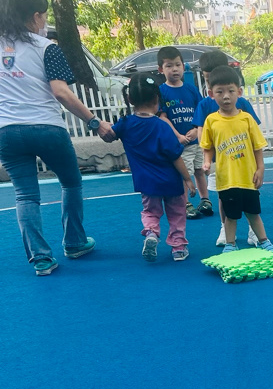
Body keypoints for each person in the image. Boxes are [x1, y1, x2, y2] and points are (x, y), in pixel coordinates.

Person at [0, 0, 113, 275]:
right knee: (71, 182)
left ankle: (41, 258)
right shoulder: (46, 47)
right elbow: (61, 93)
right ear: (35, 16)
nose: (45, 21)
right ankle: (74, 242)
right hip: (46, 127)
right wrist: (95, 122)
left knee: (25, 194)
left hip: (7, 131)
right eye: (45, 16)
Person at [104, 73, 196, 261]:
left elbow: (109, 135)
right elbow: (175, 156)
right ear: (156, 99)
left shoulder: (125, 124)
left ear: (129, 99)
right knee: (177, 213)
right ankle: (178, 247)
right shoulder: (162, 126)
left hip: (146, 183)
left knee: (150, 212)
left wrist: (98, 124)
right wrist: (187, 178)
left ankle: (152, 232)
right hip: (171, 181)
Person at [199, 66, 273, 254]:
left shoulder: (247, 119)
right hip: (226, 180)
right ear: (211, 94)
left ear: (239, 92)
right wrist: (207, 162)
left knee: (253, 213)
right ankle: (230, 244)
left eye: (231, 91)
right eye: (220, 92)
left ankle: (264, 241)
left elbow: (257, 147)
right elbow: (208, 147)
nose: (226, 96)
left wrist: (260, 169)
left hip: (248, 178)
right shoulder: (211, 121)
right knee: (230, 216)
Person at [192, 48, 262, 247]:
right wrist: (207, 158)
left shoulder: (242, 104)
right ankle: (225, 228)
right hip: (221, 163)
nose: (224, 96)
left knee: (250, 197)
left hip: (245, 163)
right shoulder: (205, 105)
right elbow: (201, 133)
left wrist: (259, 165)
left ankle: (253, 231)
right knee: (224, 197)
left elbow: (254, 133)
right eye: (207, 80)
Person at [155, 45, 212, 220]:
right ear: (161, 69)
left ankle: (205, 200)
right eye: (169, 66)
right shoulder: (162, 91)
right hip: (179, 144)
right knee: (184, 173)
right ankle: (185, 203)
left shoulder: (191, 89)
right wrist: (178, 136)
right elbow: (163, 117)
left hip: (195, 141)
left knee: (199, 170)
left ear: (183, 66)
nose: (175, 69)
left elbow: (200, 112)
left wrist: (196, 130)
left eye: (178, 65)